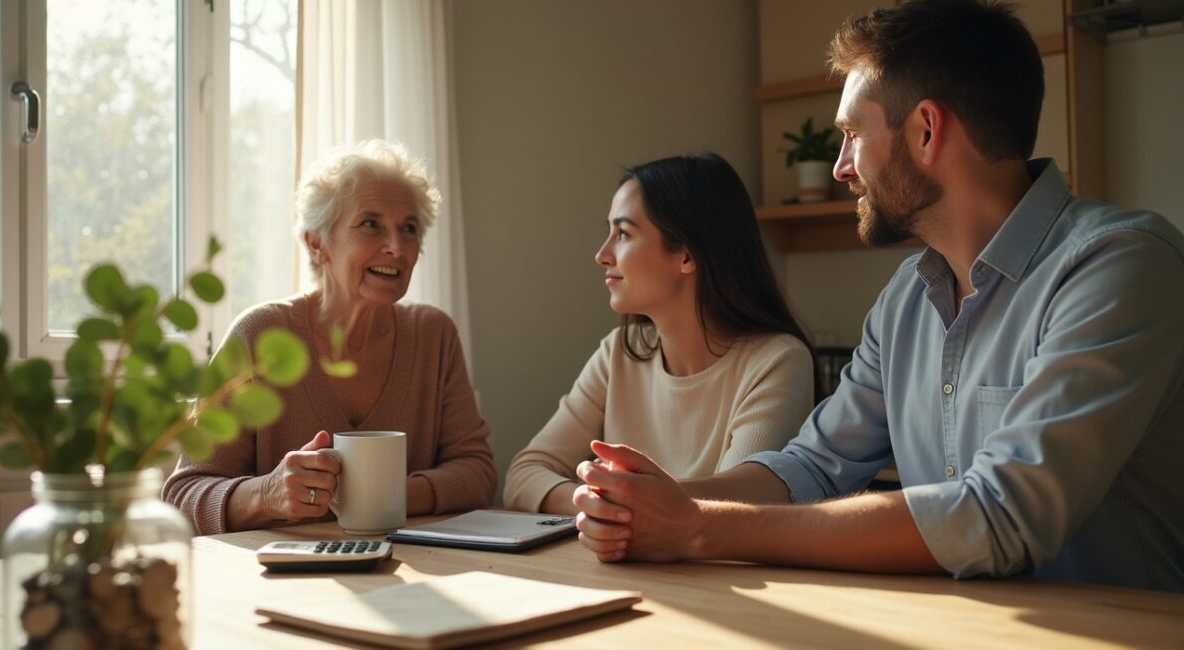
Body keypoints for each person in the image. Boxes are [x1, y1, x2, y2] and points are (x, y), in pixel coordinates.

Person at [572, 0, 1184, 592]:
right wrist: (655, 504)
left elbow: (1000, 514)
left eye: (851, 134)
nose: (841, 167)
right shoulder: (904, 301)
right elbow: (812, 466)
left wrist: (698, 528)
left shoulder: (1120, 265)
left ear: (926, 130)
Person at [163, 141, 495, 535]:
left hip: (410, 568)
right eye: (371, 224)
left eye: (409, 229)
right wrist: (267, 494)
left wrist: (383, 496)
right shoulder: (260, 336)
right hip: (282, 570)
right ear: (317, 243)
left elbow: (478, 473)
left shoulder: (433, 335)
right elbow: (182, 496)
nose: (397, 247)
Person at [503, 154, 817, 515]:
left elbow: (738, 509)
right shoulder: (619, 353)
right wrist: (596, 504)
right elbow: (523, 474)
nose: (602, 255)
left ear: (686, 255)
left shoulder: (778, 361)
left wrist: (618, 500)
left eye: (623, 233)